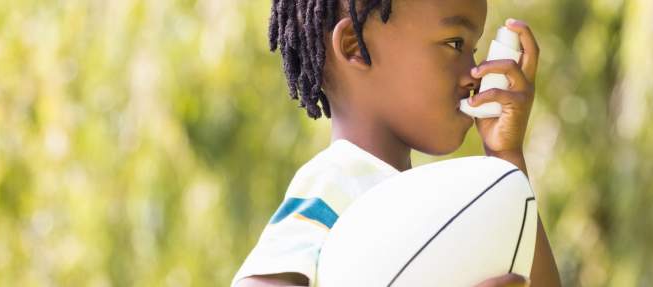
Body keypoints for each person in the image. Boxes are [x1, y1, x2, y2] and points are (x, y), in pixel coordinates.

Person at [232, 0, 560, 286]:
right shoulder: (335, 182)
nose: (474, 73)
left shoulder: (438, 202)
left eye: (473, 50)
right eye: (455, 44)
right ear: (355, 47)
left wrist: (506, 156)